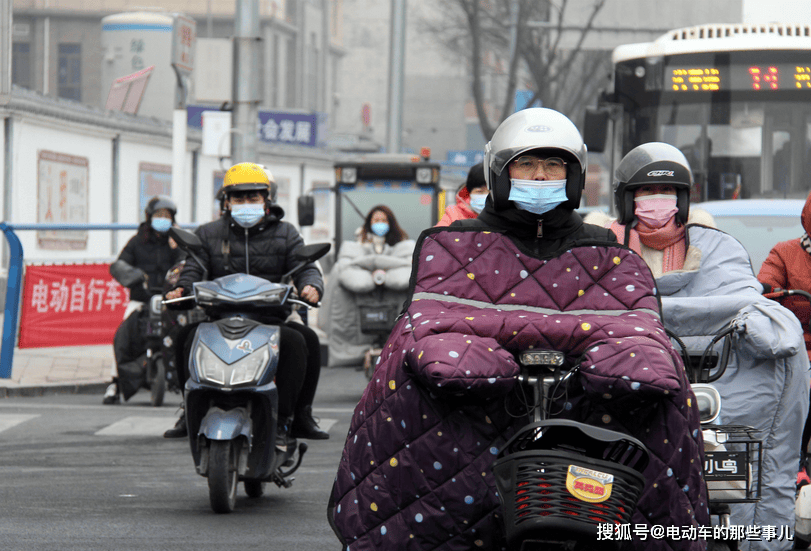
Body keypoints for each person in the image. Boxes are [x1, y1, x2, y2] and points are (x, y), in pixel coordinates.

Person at [329, 108, 709, 550]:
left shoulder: (606, 249)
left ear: (573, 176)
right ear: (501, 172)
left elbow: (635, 322)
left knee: (661, 390)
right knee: (407, 387)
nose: (541, 176)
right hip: (474, 398)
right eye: (527, 164)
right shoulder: (452, 243)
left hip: (581, 399)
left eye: (553, 166)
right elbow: (423, 318)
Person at [587, 142, 809, 550]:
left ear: (684, 200)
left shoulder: (717, 247)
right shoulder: (601, 247)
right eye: (645, 194)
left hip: (712, 380)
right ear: (625, 200)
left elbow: (741, 294)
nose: (657, 204)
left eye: (668, 194)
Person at [163, 162, 328, 444]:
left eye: (253, 197)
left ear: (266, 200)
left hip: (271, 320)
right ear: (227, 202)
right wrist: (180, 291)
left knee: (304, 340)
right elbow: (192, 269)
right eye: (239, 198)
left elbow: (305, 266)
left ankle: (293, 417)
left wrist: (311, 286)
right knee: (185, 338)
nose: (246, 203)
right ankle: (189, 407)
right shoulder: (207, 233)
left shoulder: (286, 233)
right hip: (219, 318)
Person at [104, 196, 182, 404]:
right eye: (159, 215)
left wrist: (179, 246)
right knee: (123, 336)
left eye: (167, 216)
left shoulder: (177, 240)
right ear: (149, 217)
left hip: (170, 302)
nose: (162, 219)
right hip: (141, 300)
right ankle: (115, 383)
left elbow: (188, 266)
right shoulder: (137, 241)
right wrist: (137, 277)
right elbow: (120, 265)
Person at [757, 190, 811, 486]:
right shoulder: (784, 253)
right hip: (797, 348)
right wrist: (767, 292)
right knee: (803, 385)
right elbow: (764, 290)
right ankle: (797, 460)